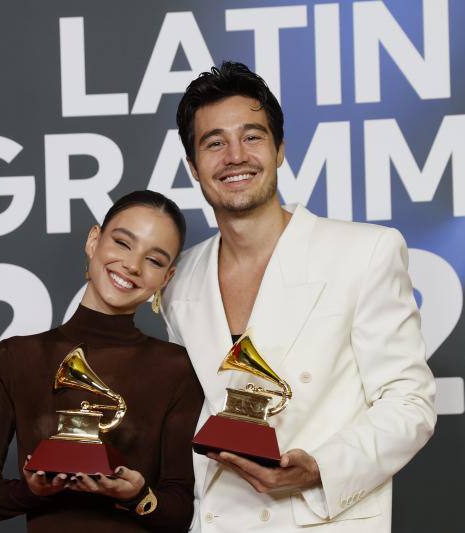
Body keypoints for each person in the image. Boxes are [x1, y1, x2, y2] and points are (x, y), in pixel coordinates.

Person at [161, 62, 437, 532]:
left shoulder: (364, 252)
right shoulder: (179, 277)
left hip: (320, 518)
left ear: (279, 149)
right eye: (214, 142)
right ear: (193, 166)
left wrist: (319, 468)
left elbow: (410, 404)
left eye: (252, 136)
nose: (235, 156)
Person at [0, 190, 204, 532]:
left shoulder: (176, 368)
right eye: (122, 242)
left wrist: (137, 496)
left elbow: (179, 510)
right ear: (94, 241)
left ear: (167, 278)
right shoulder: (14, 358)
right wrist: (31, 491)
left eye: (155, 260)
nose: (132, 265)